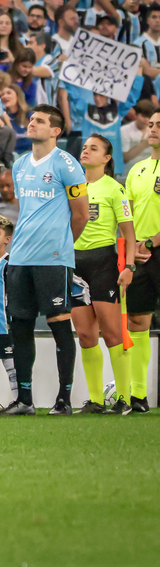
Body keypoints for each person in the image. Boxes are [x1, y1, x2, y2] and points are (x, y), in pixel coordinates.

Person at [3, 105, 89, 416]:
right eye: (31, 119)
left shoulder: (68, 164)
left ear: (56, 131)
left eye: (39, 121)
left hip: (52, 259)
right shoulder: (20, 164)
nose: (31, 124)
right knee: (20, 326)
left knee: (59, 324)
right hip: (20, 257)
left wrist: (61, 246)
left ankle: (63, 399)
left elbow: (81, 214)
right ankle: (25, 400)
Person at [73, 134, 136, 414]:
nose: (86, 151)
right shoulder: (74, 188)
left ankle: (124, 399)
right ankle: (96, 401)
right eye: (85, 147)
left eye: (93, 148)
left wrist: (129, 267)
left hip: (103, 263)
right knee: (85, 335)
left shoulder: (114, 189)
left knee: (112, 334)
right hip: (75, 265)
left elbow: (128, 233)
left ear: (106, 158)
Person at [122, 108, 160, 414]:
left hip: (150, 246)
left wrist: (150, 242)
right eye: (151, 124)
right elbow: (129, 216)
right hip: (141, 254)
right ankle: (138, 395)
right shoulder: (136, 170)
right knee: (137, 320)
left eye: (159, 125)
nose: (153, 129)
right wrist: (132, 247)